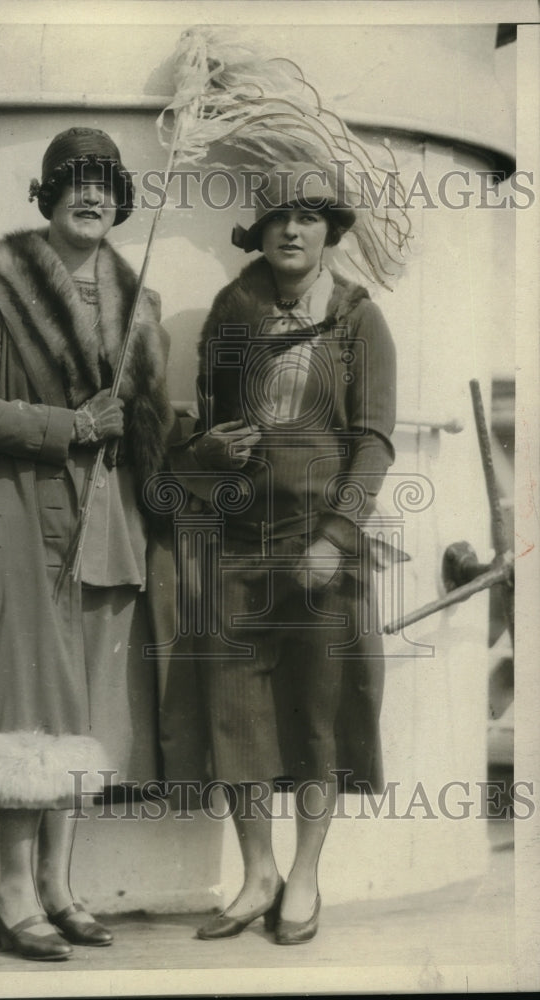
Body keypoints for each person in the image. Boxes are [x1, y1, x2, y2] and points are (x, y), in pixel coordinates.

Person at [0, 127, 173, 961]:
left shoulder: (138, 303)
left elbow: (147, 430)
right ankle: (9, 894)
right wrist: (72, 424)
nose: (90, 193)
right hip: (21, 519)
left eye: (104, 180)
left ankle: (58, 886)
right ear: (44, 195)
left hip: (108, 528)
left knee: (81, 712)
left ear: (120, 200)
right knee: (23, 711)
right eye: (72, 179)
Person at [168, 162, 396, 945]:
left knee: (316, 713)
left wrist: (336, 539)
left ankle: (304, 876)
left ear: (328, 234)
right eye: (276, 221)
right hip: (234, 546)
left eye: (305, 219)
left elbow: (372, 445)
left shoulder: (359, 320)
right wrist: (210, 451)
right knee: (236, 715)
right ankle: (256, 871)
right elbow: (201, 435)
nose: (290, 231)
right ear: (259, 236)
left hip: (319, 548)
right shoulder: (227, 320)